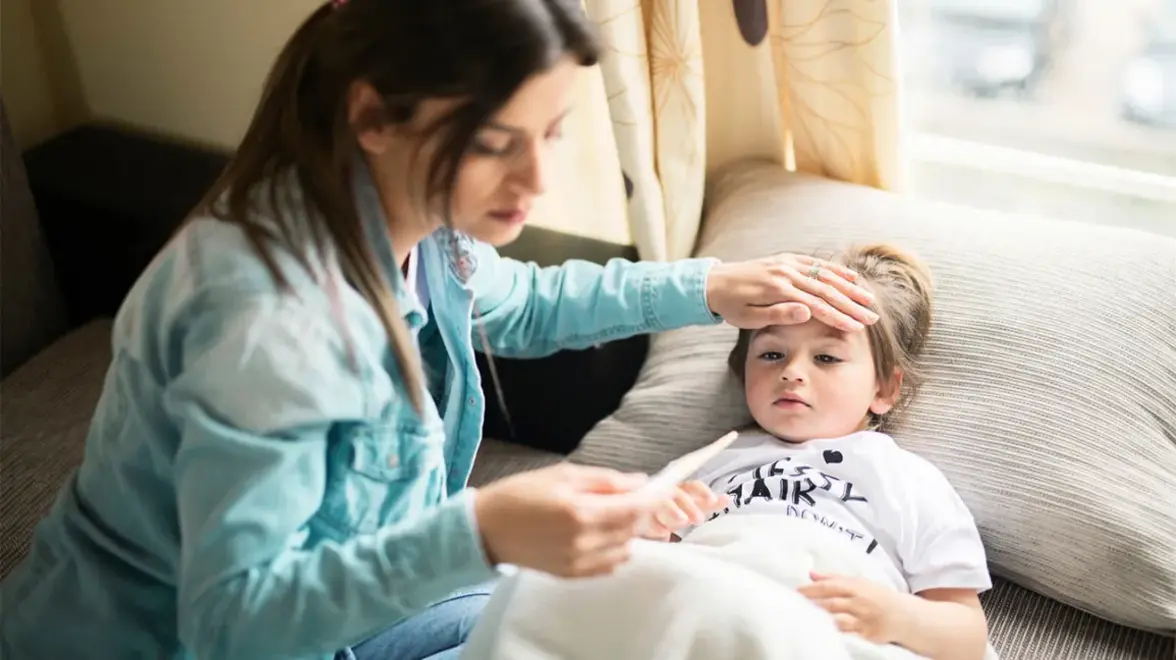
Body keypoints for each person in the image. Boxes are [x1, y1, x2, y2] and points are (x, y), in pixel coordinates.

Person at [0, 2, 879, 659]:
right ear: (375, 117)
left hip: (358, 611)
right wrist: (483, 531)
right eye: (499, 143)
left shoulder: (419, 227)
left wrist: (709, 287)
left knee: (685, 606)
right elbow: (237, 620)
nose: (536, 178)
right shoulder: (265, 325)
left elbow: (525, 306)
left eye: (553, 133)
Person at [648, 245, 992, 660]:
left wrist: (897, 617)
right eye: (772, 354)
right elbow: (636, 571)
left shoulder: (909, 480)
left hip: (827, 634)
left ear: (884, 389)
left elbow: (968, 637)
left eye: (826, 357)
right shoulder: (709, 461)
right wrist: (652, 527)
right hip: (708, 611)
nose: (791, 371)